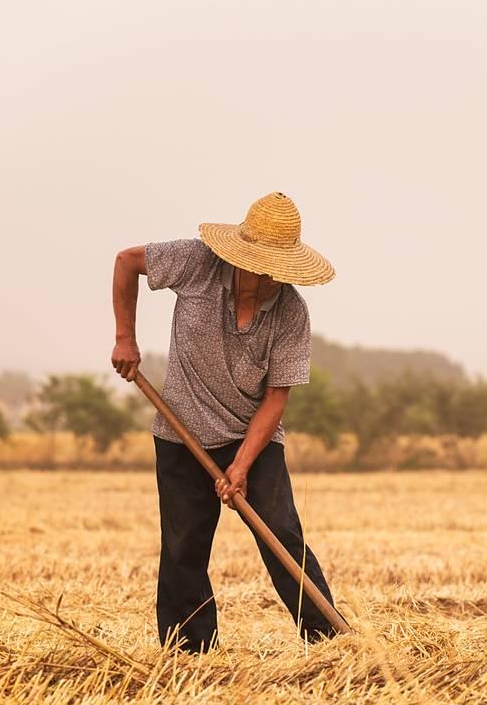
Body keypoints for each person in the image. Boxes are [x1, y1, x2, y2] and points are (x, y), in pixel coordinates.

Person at [110, 191, 345, 651]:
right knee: (183, 548)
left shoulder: (291, 312)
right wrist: (125, 339)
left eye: (277, 269)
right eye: (259, 264)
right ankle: (191, 654)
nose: (267, 277)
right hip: (180, 434)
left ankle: (329, 642)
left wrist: (241, 465)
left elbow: (277, 398)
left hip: (251, 436)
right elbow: (125, 261)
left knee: (281, 532)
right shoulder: (196, 263)